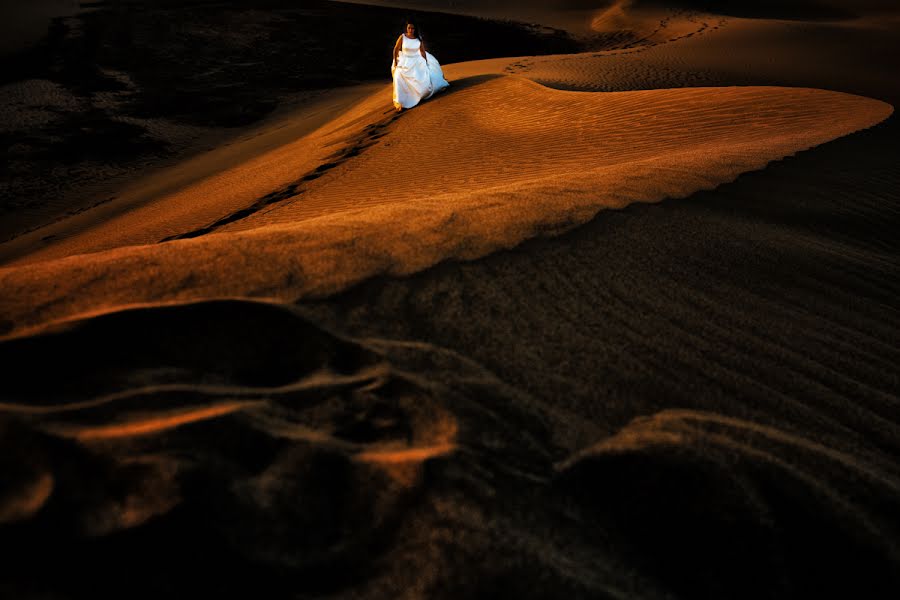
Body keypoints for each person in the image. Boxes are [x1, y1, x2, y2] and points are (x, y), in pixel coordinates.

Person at [391, 19, 449, 112]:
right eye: (409, 28)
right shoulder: (402, 37)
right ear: (407, 28)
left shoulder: (419, 38)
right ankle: (400, 102)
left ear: (415, 29)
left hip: (417, 60)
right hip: (404, 61)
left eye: (412, 28)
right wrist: (396, 61)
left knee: (423, 79)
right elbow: (396, 49)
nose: (410, 30)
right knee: (398, 76)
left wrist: (426, 61)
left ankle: (416, 96)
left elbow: (422, 51)